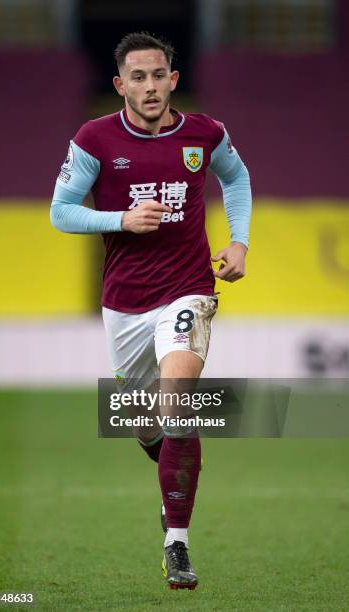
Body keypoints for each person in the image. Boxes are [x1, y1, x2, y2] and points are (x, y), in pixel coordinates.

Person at [50, 31, 252, 590]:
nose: (150, 86)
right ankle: (174, 480)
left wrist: (239, 242)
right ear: (120, 85)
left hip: (188, 290)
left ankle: (177, 544)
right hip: (125, 303)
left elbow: (236, 179)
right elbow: (61, 213)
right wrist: (120, 219)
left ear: (173, 80)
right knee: (144, 424)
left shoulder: (204, 134)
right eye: (137, 77)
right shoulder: (94, 138)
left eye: (158, 75)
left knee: (177, 406)